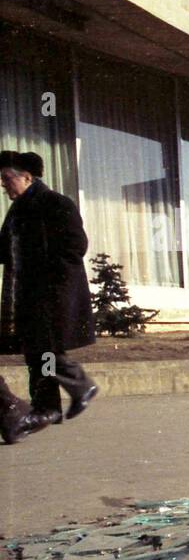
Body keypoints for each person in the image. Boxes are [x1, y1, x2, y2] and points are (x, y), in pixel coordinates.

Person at [0, 150, 98, 436]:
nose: (4, 185)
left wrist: (52, 281)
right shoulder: (17, 212)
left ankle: (74, 390)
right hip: (27, 294)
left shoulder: (55, 203)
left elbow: (75, 245)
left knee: (45, 350)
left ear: (27, 177)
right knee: (37, 352)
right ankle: (49, 408)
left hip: (53, 293)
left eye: (7, 179)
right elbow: (4, 248)